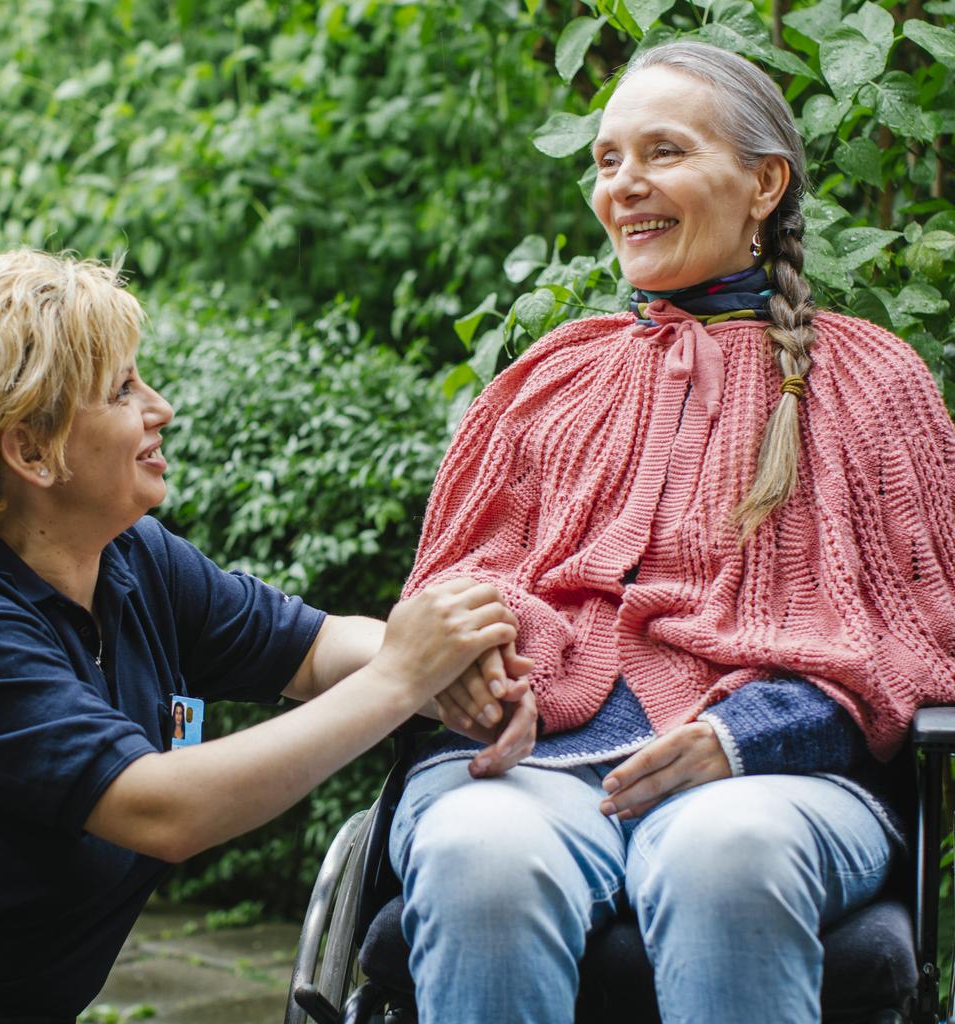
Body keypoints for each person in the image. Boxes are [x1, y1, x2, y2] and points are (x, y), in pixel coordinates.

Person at [389, 39, 955, 1024]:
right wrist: (472, 664)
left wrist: (750, 736)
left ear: (763, 183)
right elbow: (443, 597)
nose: (624, 186)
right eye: (607, 160)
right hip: (533, 768)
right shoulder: (547, 379)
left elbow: (922, 643)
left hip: (782, 782)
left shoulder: (871, 380)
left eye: (662, 152)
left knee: (721, 852)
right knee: (478, 859)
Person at [0, 249, 535, 1024]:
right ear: (30, 451)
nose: (161, 409)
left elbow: (313, 650)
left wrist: (459, 664)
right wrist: (400, 681)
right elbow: (160, 810)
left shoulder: (129, 557)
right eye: (122, 391)